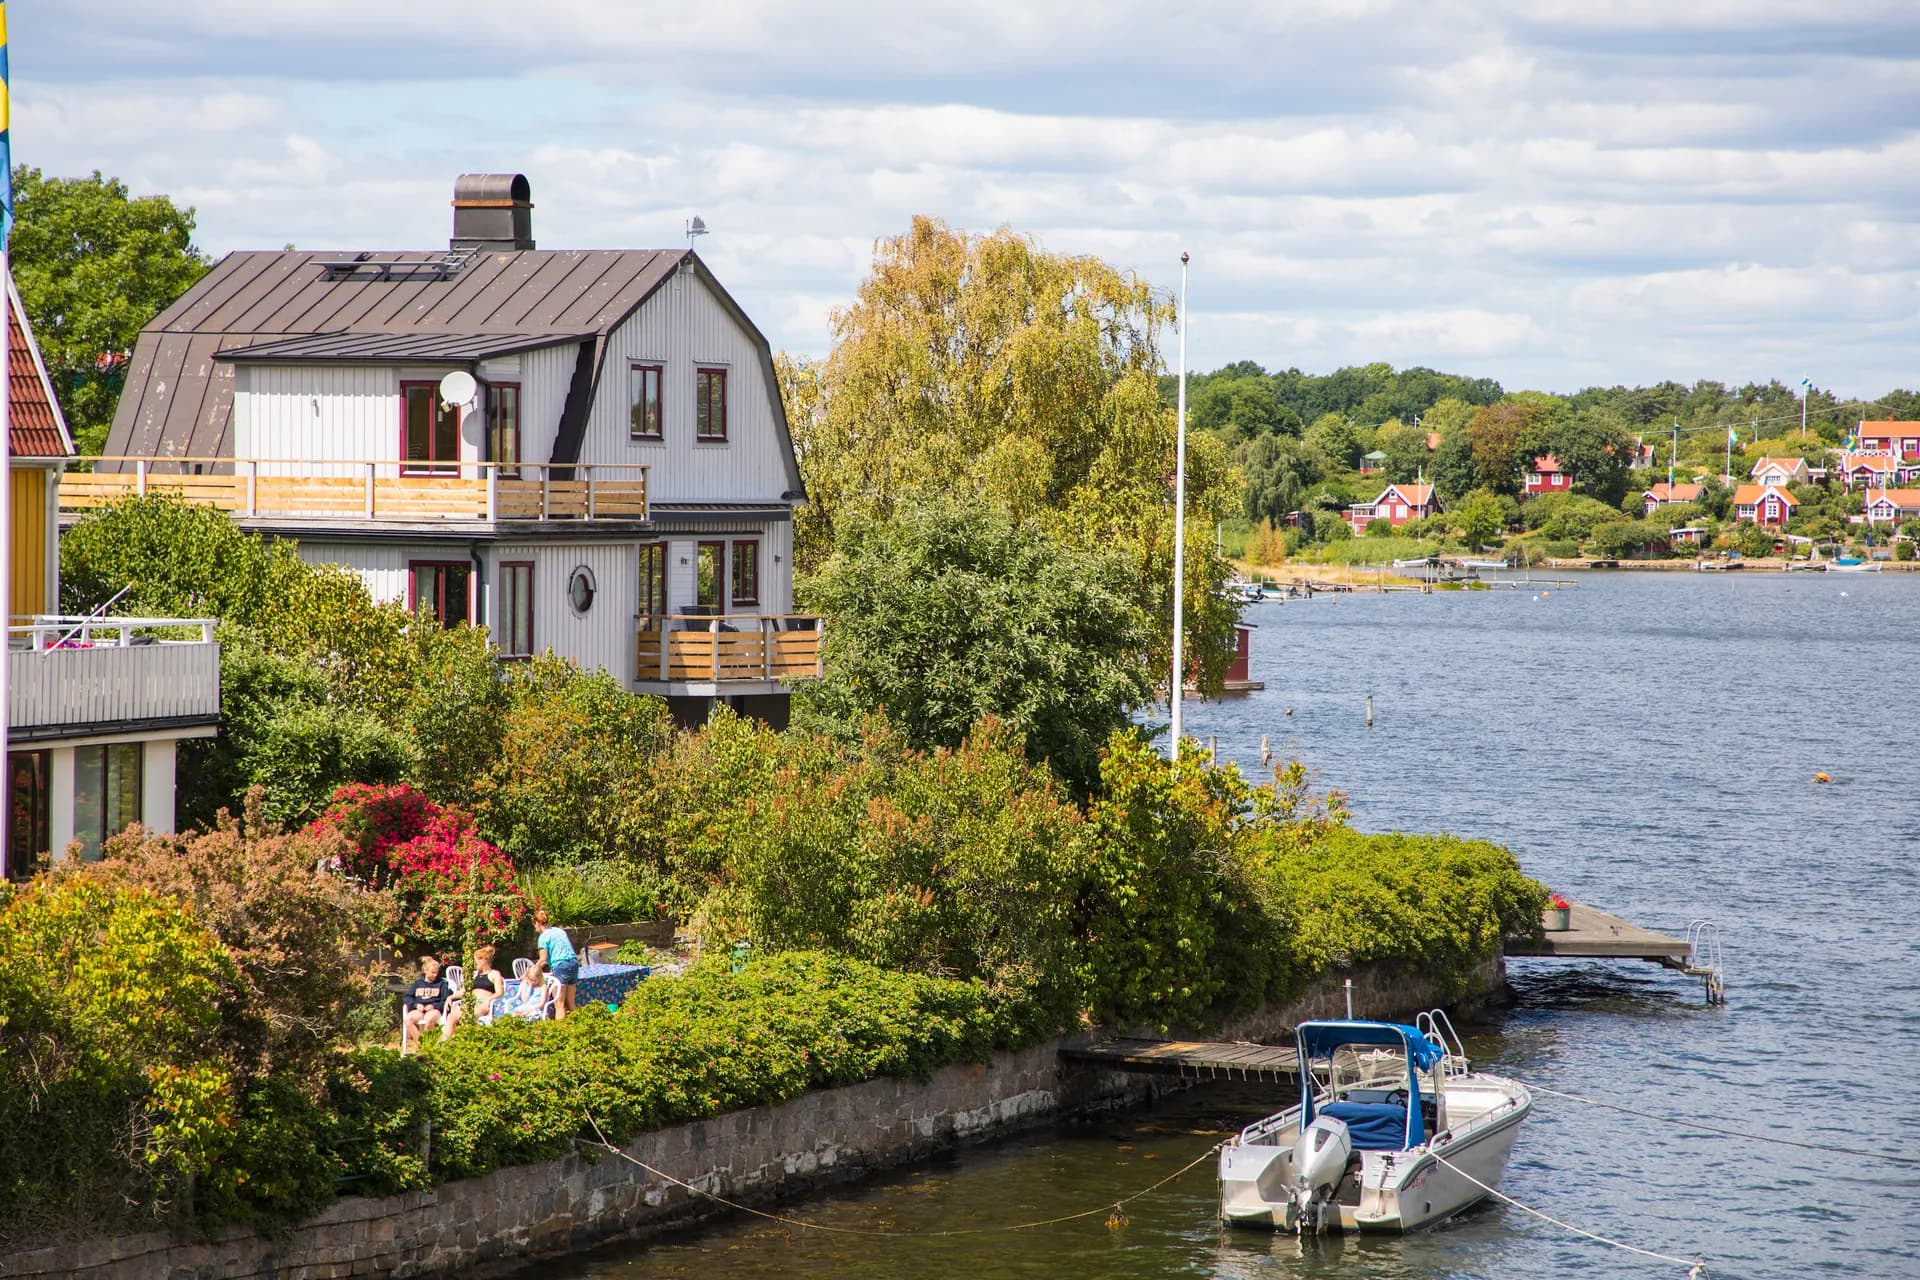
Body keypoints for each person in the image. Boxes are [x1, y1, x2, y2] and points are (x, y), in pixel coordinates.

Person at [443, 945, 505, 1034]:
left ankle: (447, 1040)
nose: (475, 964)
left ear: (484, 960)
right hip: (471, 1003)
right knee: (451, 1016)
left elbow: (499, 993)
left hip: (484, 1003)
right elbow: (464, 991)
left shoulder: (494, 974)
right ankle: (445, 1040)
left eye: (476, 962)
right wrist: (451, 997)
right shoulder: (474, 975)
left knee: (462, 1016)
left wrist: (489, 999)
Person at [531, 909, 579, 1020]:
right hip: (574, 963)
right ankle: (580, 1025)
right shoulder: (559, 931)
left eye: (534, 925)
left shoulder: (543, 937)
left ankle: (560, 1029)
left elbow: (543, 960)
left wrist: (531, 972)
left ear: (537, 923)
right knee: (571, 1004)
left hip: (561, 966)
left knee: (559, 1004)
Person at [400, 954, 449, 1051]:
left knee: (429, 1018)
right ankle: (422, 1046)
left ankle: (426, 1047)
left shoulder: (441, 984)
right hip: (419, 1009)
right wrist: (416, 1005)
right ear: (425, 971)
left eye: (436, 973)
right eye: (432, 972)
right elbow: (407, 997)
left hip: (434, 1010)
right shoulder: (418, 984)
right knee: (408, 1020)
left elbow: (445, 1000)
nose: (435, 975)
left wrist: (434, 1006)